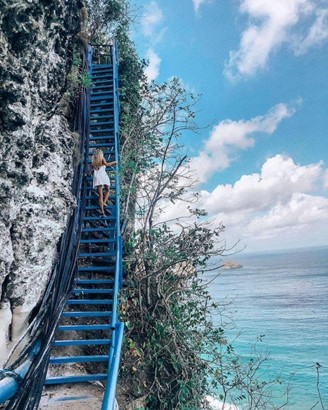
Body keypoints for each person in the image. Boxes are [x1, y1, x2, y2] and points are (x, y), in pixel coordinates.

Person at [91, 149, 117, 216]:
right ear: (101, 154)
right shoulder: (102, 158)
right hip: (103, 176)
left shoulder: (93, 160)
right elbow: (107, 164)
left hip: (97, 177)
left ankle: (102, 211)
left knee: (100, 195)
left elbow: (91, 169)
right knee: (108, 190)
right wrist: (114, 162)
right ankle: (104, 202)